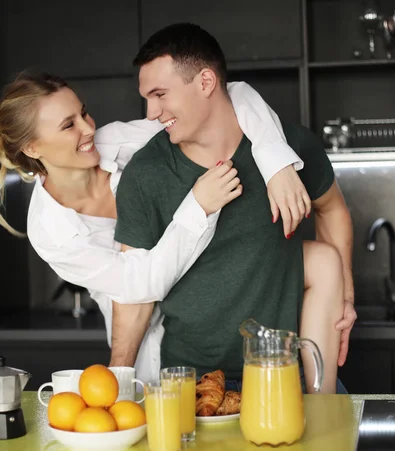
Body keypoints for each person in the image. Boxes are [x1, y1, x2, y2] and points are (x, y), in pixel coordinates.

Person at [0, 71, 312, 381]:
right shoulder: (50, 232)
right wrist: (198, 206)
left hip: (216, 310)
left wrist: (276, 162)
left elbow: (229, 97)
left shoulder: (118, 141)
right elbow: (140, 284)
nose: (89, 128)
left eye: (84, 112)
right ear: (32, 147)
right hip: (148, 348)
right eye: (69, 125)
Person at [112, 23, 356, 393]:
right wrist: (118, 380)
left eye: (160, 94)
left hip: (283, 376)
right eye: (147, 97)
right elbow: (135, 292)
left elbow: (332, 210)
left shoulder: (290, 149)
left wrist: (346, 296)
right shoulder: (145, 175)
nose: (151, 112)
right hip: (190, 385)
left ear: (206, 82)